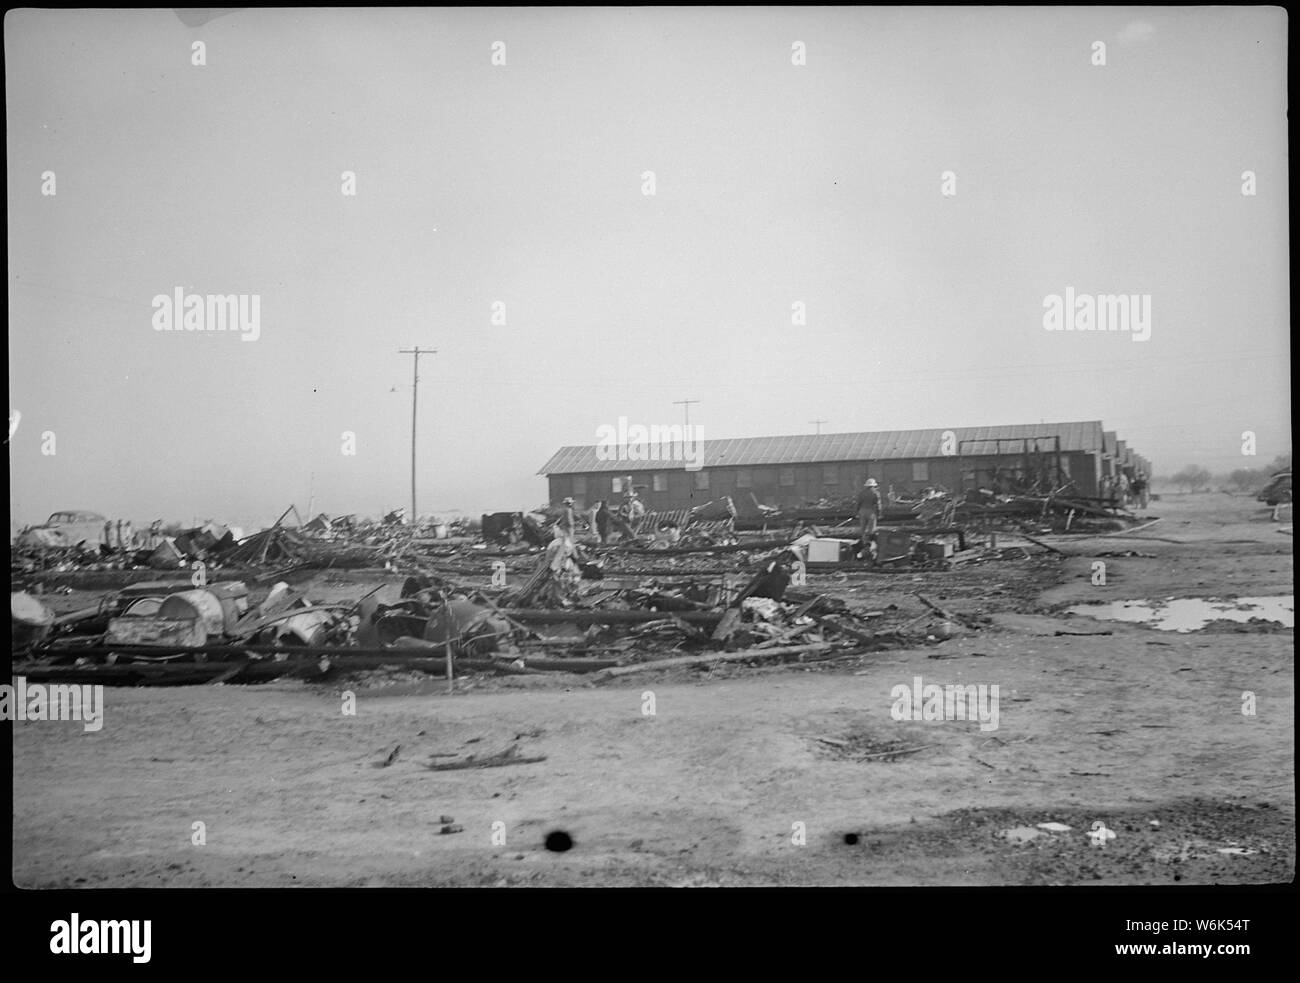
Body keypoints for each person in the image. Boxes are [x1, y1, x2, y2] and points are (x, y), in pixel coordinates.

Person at [856, 477, 881, 558]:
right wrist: (879, 513)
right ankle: (870, 545)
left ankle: (864, 543)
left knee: (863, 529)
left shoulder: (861, 493)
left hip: (862, 511)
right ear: (873, 486)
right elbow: (878, 505)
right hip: (871, 511)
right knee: (871, 530)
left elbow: (858, 504)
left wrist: (857, 512)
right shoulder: (875, 493)